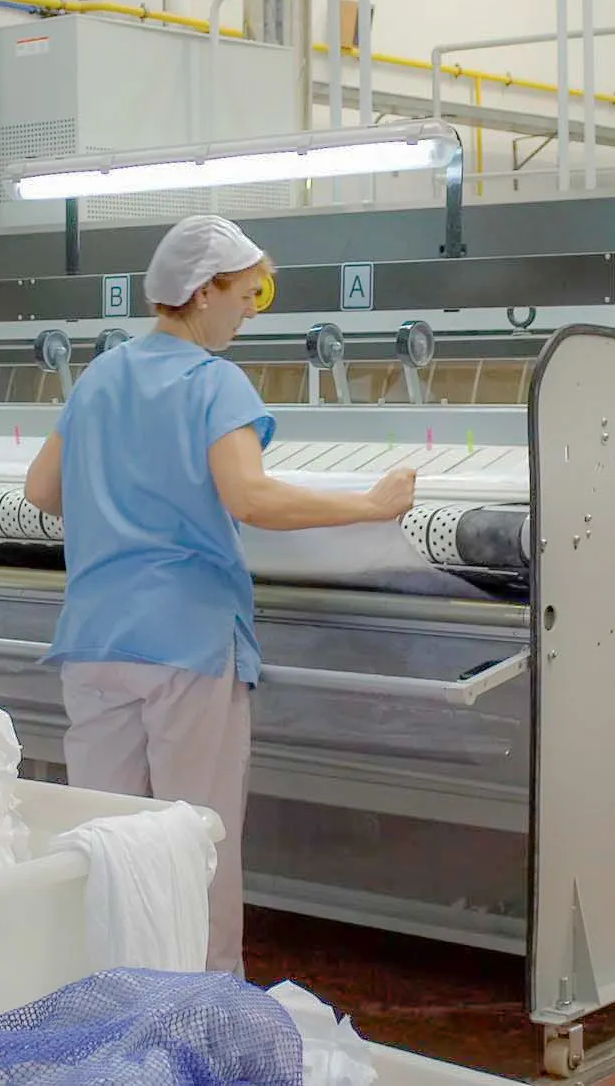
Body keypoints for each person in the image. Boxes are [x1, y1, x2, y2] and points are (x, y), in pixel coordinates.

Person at [23, 215, 416, 975]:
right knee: (196, 843)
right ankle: (206, 1022)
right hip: (187, 647)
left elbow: (43, 489)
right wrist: (371, 505)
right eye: (248, 293)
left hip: (96, 640)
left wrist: (123, 503)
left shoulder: (101, 374)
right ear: (204, 293)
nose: (251, 310)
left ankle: (111, 1010)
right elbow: (251, 497)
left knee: (109, 843)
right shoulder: (213, 382)